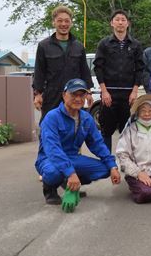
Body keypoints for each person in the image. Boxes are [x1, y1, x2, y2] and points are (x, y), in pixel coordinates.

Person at [35, 79, 121, 209]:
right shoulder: (52, 117)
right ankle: (50, 189)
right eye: (74, 94)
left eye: (82, 95)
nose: (78, 98)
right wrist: (71, 173)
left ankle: (69, 182)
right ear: (64, 95)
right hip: (48, 159)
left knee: (105, 169)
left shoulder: (86, 118)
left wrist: (112, 166)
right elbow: (52, 150)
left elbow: (97, 144)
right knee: (54, 172)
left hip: (73, 158)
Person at [93, 9, 145, 150]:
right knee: (106, 130)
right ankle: (107, 165)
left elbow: (140, 69)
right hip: (109, 94)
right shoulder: (104, 44)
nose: (120, 22)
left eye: (123, 19)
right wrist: (104, 91)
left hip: (129, 95)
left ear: (127, 23)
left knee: (127, 130)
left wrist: (135, 91)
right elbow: (98, 67)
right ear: (112, 23)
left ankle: (126, 164)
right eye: (117, 19)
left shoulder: (135, 45)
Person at [32, 5, 93, 122]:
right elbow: (39, 72)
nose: (63, 24)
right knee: (48, 126)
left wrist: (88, 92)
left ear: (71, 23)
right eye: (60, 21)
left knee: (73, 127)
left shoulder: (78, 46)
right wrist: (37, 94)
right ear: (53, 22)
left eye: (67, 21)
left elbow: (84, 71)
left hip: (74, 95)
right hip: (51, 96)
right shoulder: (44, 46)